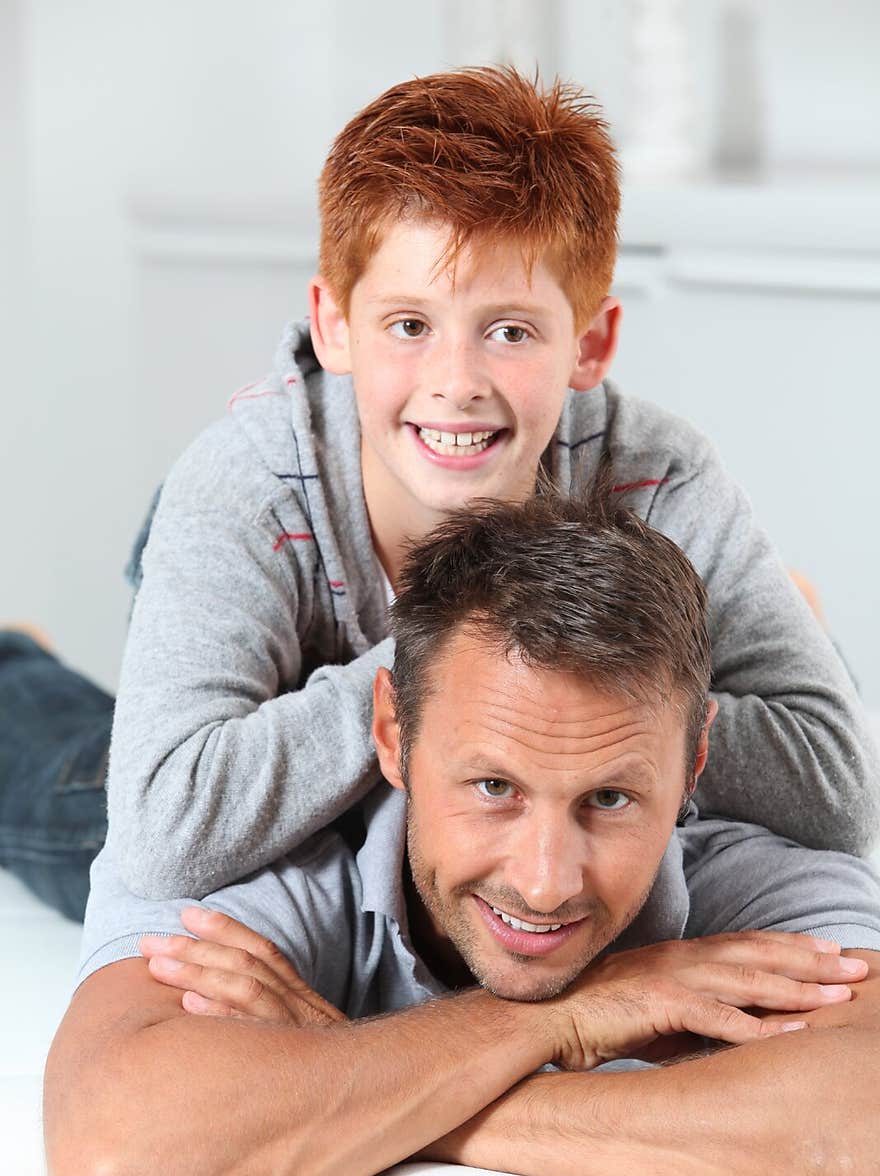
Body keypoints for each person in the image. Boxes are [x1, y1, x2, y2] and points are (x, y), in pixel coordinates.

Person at [1, 68, 878, 923]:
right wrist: (466, 680)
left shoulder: (658, 476)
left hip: (464, 775)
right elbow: (161, 835)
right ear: (335, 324)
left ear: (589, 343)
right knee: (95, 813)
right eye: (410, 325)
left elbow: (841, 796)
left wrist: (580, 718)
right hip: (294, 675)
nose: (456, 382)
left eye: (509, 331)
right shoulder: (245, 490)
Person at [45, 490, 880, 1176]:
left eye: (611, 797)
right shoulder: (243, 852)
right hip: (122, 783)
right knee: (58, 778)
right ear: (390, 735)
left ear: (695, 762)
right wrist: (566, 1019)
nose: (548, 883)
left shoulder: (755, 869)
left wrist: (372, 1081)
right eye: (494, 788)